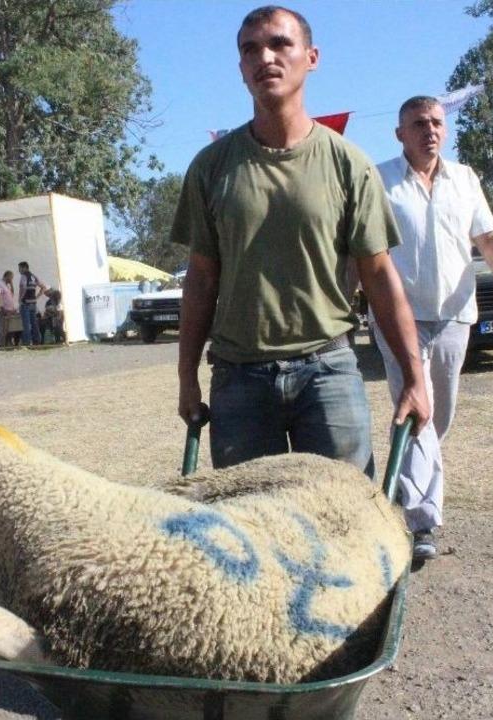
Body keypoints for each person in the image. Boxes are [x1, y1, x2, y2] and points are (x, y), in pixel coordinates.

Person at [172, 6, 429, 481]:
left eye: (280, 44)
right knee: (250, 520)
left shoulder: (349, 164)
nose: (265, 57)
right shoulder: (211, 168)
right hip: (239, 378)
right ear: (240, 68)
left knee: (343, 515)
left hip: (328, 371)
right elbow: (201, 280)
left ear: (311, 57)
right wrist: (187, 377)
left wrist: (415, 377)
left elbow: (378, 276)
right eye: (251, 49)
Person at [374, 95, 493, 561]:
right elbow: (363, 248)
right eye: (419, 124)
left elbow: (487, 237)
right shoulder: (379, 180)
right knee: (416, 409)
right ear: (400, 134)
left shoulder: (464, 179)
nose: (430, 130)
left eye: (436, 123)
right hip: (398, 316)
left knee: (439, 415)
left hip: (454, 314)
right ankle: (421, 522)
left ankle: (402, 489)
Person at [17, 261, 47, 346]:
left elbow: (23, 287)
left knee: (26, 324)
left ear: (24, 268)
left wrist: (20, 299)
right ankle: (37, 340)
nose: (19, 270)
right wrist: (36, 297)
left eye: (20, 268)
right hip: (33, 303)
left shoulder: (23, 276)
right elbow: (43, 287)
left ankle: (27, 342)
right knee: (34, 323)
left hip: (25, 303)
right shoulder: (34, 276)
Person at [0, 270, 21, 347]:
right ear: (7, 276)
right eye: (11, 278)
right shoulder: (0, 284)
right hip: (4, 310)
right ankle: (1, 345)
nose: (11, 279)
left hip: (10, 310)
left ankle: (8, 344)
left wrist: (11, 284)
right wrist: (2, 308)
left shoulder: (6, 285)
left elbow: (12, 295)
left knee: (9, 330)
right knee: (4, 330)